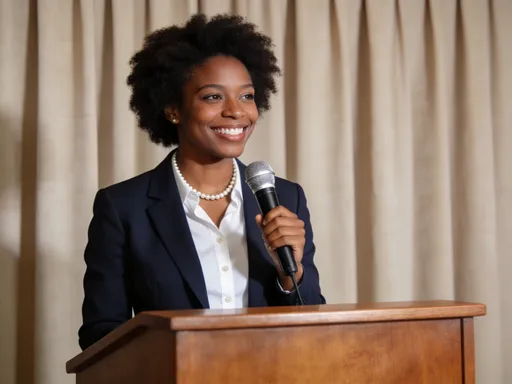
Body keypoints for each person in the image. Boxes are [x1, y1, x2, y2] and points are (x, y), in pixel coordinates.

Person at [78, 13, 325, 351]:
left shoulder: (285, 197)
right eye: (213, 97)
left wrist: (290, 275)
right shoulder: (123, 208)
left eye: (247, 96)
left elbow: (314, 321)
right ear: (172, 109)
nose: (236, 111)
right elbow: (101, 336)